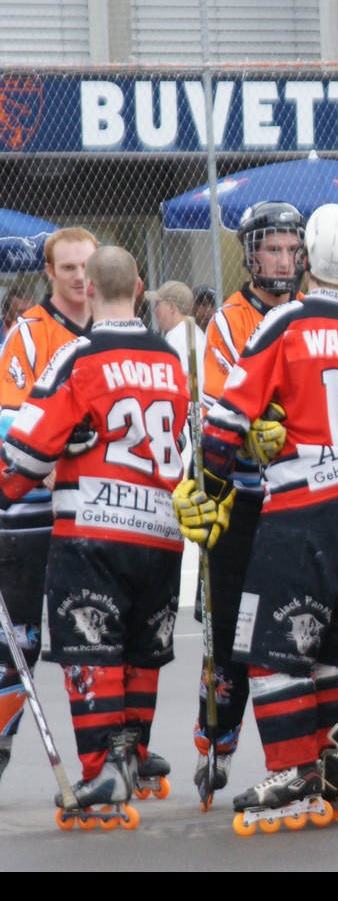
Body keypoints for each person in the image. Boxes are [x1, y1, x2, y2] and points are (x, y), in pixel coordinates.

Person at [176, 203, 338, 830]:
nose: (280, 258)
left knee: (271, 646)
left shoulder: (286, 322)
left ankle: (295, 770)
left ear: (307, 255)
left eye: (288, 248)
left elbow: (224, 420)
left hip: (299, 510)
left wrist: (208, 481)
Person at [0, 246, 187, 820]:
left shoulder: (77, 355)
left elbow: (25, 451)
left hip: (95, 526)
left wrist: (8, 486)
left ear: (91, 289)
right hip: (162, 528)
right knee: (142, 650)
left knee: (92, 647)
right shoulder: (169, 357)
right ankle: (133, 752)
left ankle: (103, 770)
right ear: (140, 287)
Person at [191, 200, 305, 804]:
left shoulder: (309, 313)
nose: (283, 259)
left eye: (291, 248)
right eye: (272, 249)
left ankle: (304, 755)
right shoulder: (228, 322)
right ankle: (217, 740)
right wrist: (251, 428)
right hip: (240, 499)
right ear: (251, 255)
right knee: (227, 634)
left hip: (295, 498)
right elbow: (216, 409)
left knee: (291, 632)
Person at [0, 226, 96, 787]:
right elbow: (8, 418)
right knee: (18, 646)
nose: (80, 278)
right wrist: (53, 454)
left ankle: (111, 757)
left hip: (92, 510)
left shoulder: (109, 328)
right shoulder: (29, 333)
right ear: (50, 273)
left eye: (87, 267)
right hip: (30, 512)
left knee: (92, 635)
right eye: (68, 269)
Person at [150, 280, 206, 388]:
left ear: (171, 307)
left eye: (158, 304)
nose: (154, 310)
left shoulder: (176, 335)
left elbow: (184, 381)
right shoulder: (195, 331)